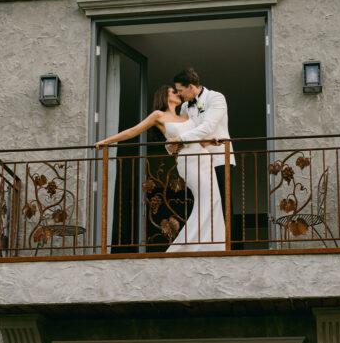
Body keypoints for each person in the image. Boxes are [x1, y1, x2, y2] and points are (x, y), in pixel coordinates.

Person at [95, 83, 225, 252]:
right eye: (174, 91)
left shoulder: (186, 115)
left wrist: (211, 141)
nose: (178, 94)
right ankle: (183, 249)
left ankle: (212, 245)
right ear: (165, 96)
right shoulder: (158, 115)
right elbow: (133, 131)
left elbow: (196, 139)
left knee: (213, 200)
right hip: (188, 161)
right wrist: (106, 142)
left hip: (204, 158)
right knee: (207, 200)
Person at [170, 68, 235, 231]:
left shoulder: (216, 98)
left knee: (223, 204)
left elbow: (208, 127)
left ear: (191, 87)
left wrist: (180, 140)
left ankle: (230, 248)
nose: (179, 94)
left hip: (218, 158)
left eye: (180, 90)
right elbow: (182, 129)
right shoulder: (185, 107)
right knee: (202, 205)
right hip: (197, 162)